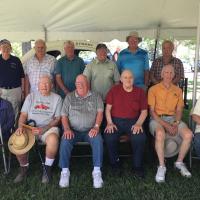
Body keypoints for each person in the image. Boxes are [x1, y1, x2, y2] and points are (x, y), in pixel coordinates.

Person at [12, 75, 62, 184]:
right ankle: (23, 168)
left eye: (47, 83)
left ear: (52, 85)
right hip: (30, 128)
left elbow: (57, 119)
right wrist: (20, 127)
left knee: (53, 139)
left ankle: (47, 169)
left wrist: (44, 129)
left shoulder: (57, 98)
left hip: (48, 128)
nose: (44, 86)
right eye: (42, 84)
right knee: (18, 139)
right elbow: (23, 115)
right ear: (38, 86)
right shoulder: (30, 97)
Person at [148, 64, 192, 183]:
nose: (168, 75)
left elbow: (179, 110)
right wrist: (167, 125)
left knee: (188, 134)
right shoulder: (153, 89)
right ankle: (162, 166)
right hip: (157, 119)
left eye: (171, 73)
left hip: (173, 118)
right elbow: (152, 112)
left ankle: (179, 162)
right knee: (160, 133)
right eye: (166, 72)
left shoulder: (178, 90)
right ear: (162, 74)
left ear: (174, 75)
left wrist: (176, 123)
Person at [59, 75, 104, 188]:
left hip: (91, 130)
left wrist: (96, 127)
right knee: (65, 140)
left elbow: (100, 113)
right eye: (77, 82)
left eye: (82, 82)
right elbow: (63, 116)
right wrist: (67, 129)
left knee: (98, 140)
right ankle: (65, 172)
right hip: (73, 131)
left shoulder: (96, 96)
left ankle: (97, 171)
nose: (79, 84)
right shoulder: (69, 97)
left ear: (87, 84)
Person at [104, 70, 147, 178]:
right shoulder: (114, 90)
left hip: (133, 121)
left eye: (130, 77)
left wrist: (138, 124)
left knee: (140, 138)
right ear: (121, 79)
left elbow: (144, 111)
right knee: (109, 137)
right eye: (125, 77)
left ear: (134, 79)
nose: (128, 79)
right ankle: (115, 164)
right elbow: (108, 109)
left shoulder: (140, 92)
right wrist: (109, 123)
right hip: (115, 121)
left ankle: (137, 166)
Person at [0, 39, 25, 119]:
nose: (5, 49)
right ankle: (4, 130)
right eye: (3, 47)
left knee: (16, 112)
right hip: (1, 91)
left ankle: (15, 130)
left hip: (15, 90)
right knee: (3, 112)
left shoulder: (16, 60)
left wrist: (23, 91)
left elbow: (22, 76)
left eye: (7, 47)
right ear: (0, 48)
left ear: (10, 48)